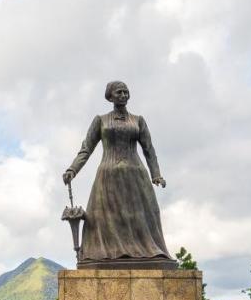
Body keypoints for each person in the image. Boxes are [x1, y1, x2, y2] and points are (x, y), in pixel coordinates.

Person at [62, 81, 175, 268]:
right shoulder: (101, 120)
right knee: (107, 218)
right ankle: (106, 254)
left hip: (135, 175)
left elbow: (149, 149)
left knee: (143, 215)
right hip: (108, 177)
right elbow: (86, 149)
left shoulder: (138, 120)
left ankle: (146, 252)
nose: (123, 95)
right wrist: (72, 170)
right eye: (119, 92)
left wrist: (156, 174)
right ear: (110, 97)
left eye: (126, 92)